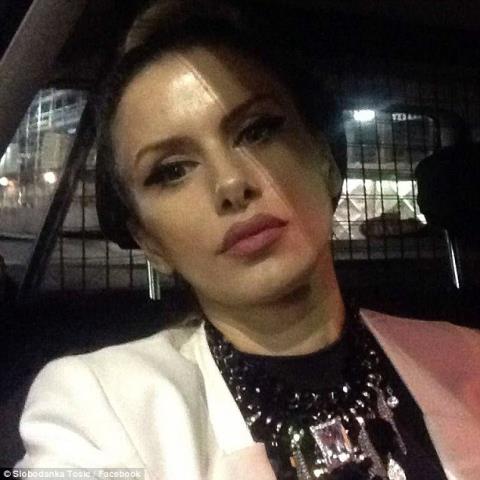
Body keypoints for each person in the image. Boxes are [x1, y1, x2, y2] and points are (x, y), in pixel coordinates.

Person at [16, 1, 480, 479]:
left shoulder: (468, 359)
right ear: (149, 240)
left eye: (257, 131)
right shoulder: (99, 407)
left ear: (325, 161)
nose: (231, 183)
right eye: (171, 171)